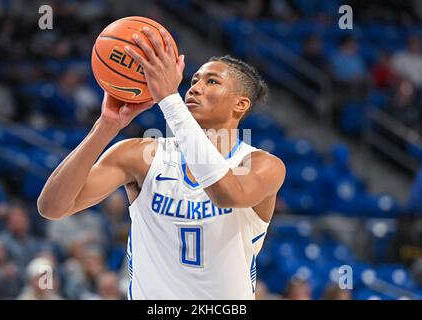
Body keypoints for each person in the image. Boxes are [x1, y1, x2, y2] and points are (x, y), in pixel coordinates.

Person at [38, 27, 286, 299]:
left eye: (212, 82)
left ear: (240, 105)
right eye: (194, 80)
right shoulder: (141, 156)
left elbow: (226, 194)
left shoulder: (261, 164)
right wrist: (106, 126)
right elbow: (52, 207)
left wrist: (169, 99)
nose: (195, 88)